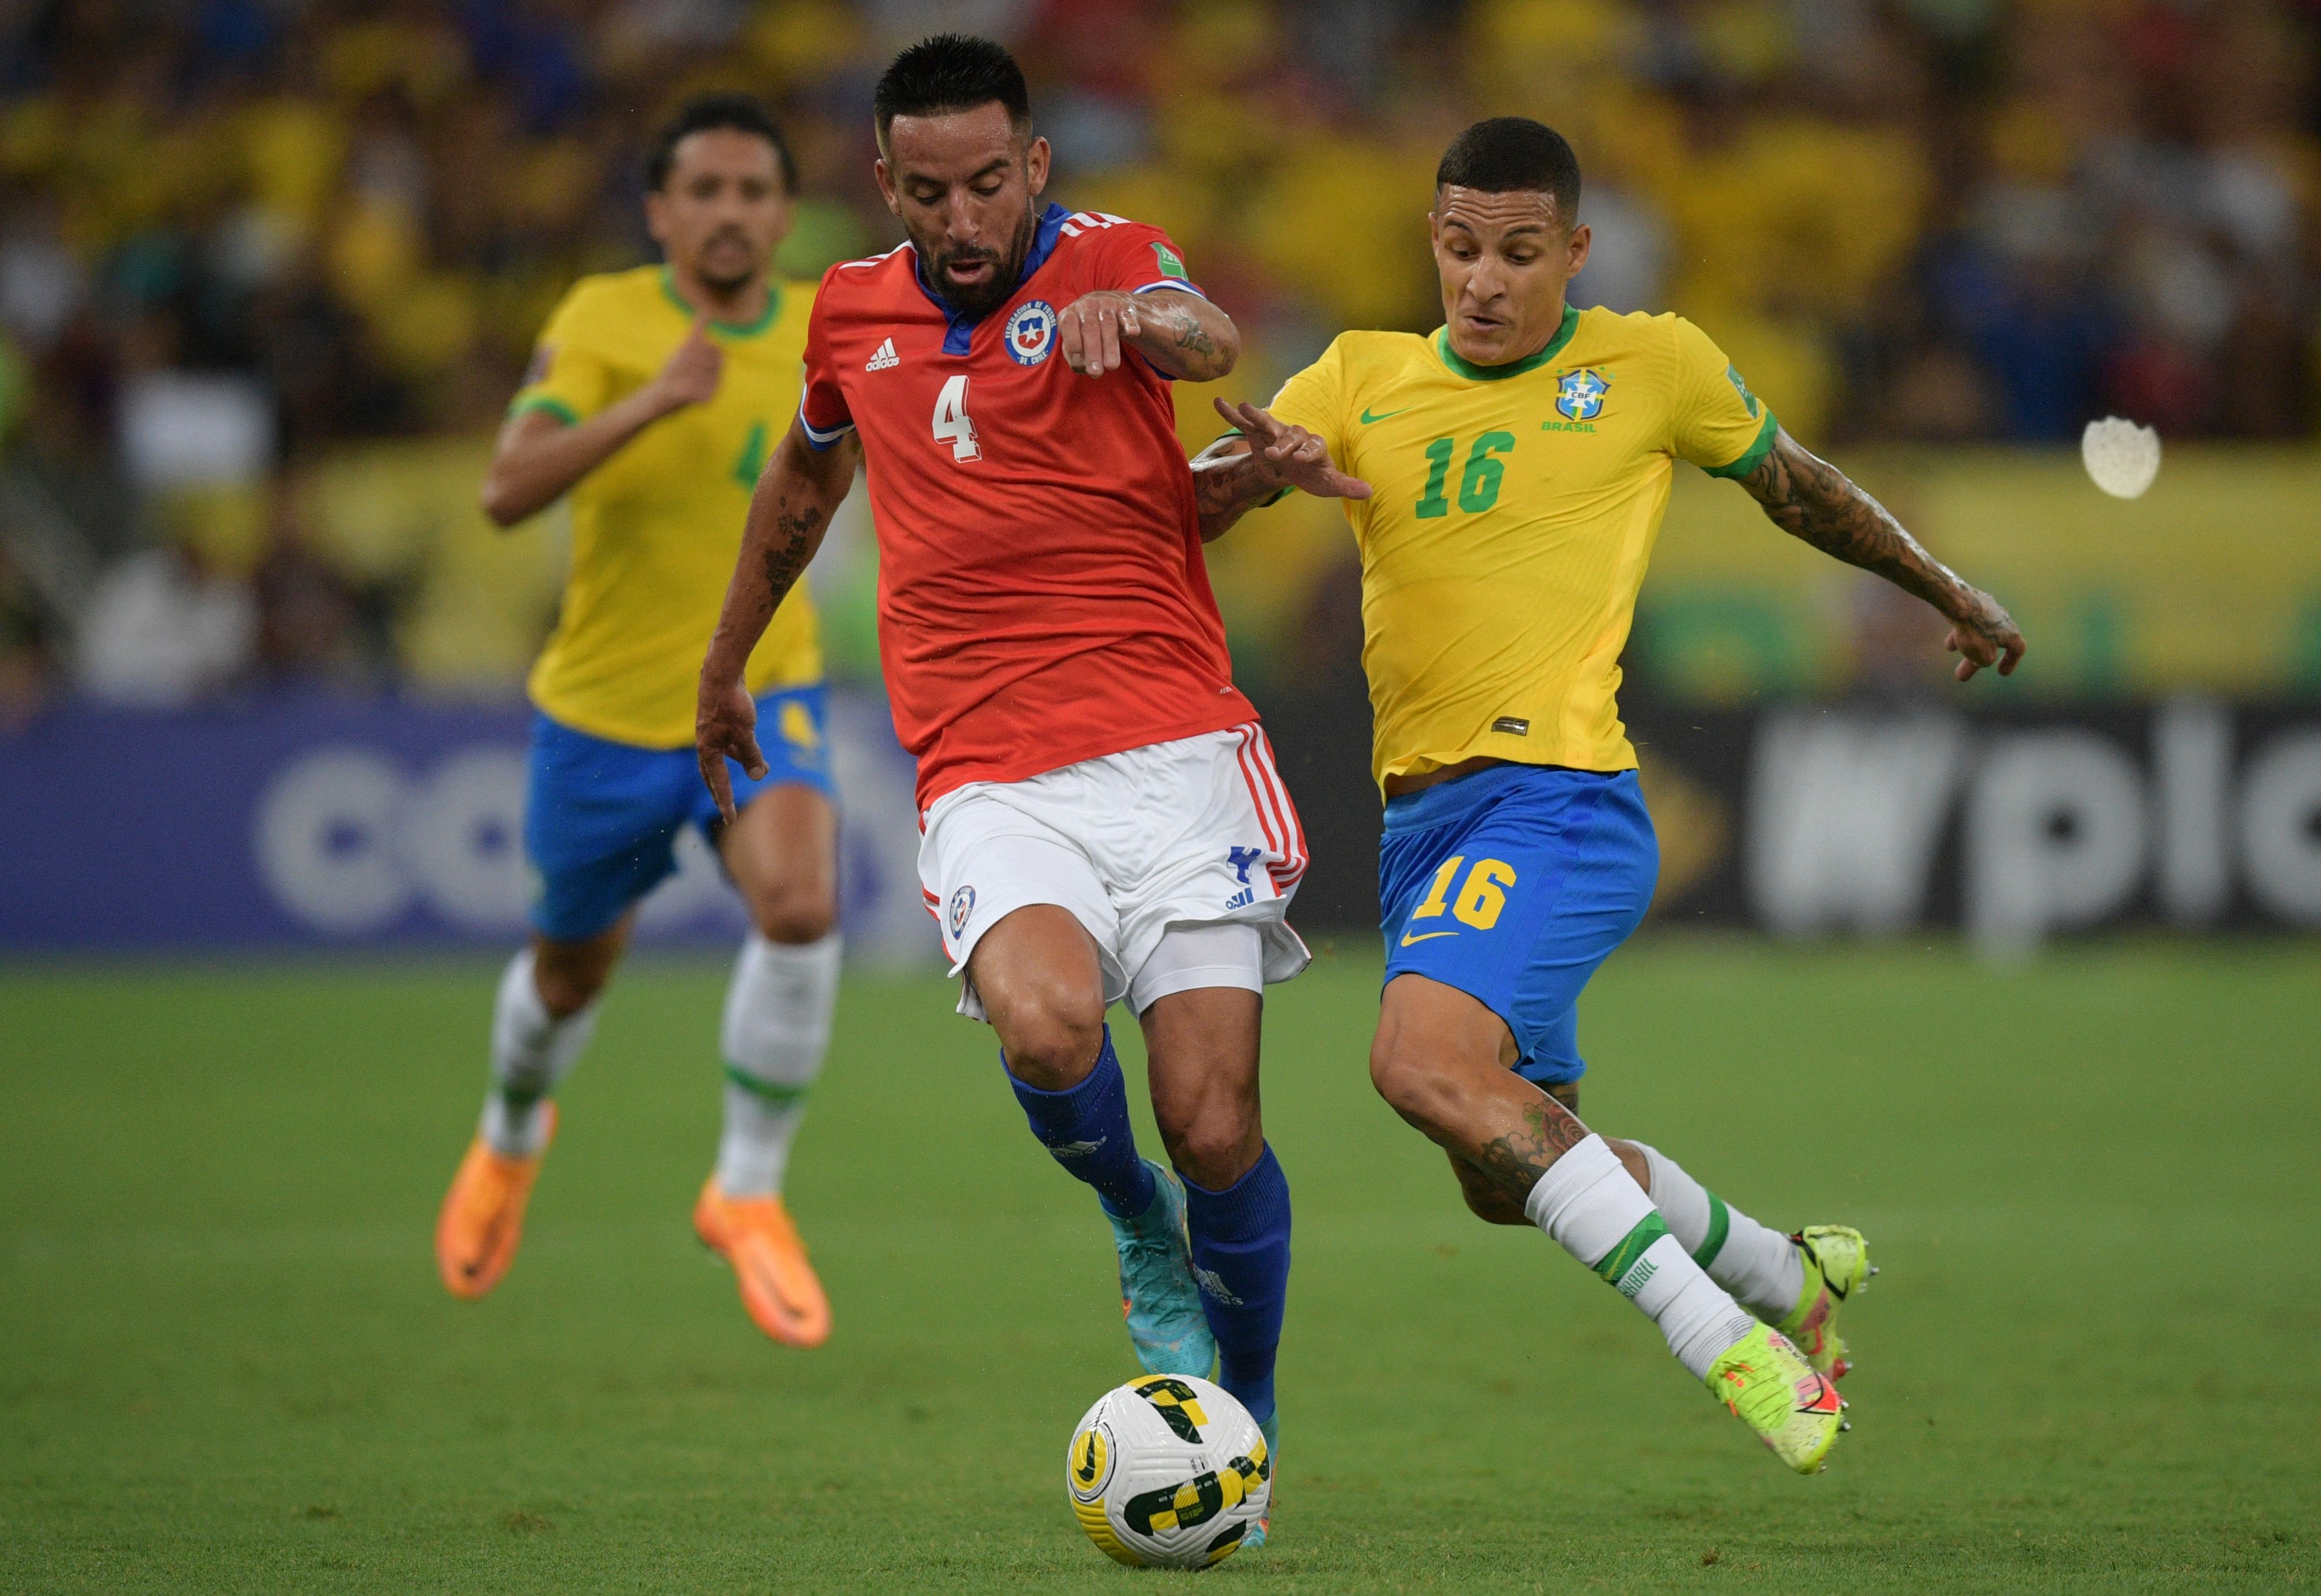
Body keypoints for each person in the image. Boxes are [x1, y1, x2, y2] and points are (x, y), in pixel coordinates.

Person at [1191, 117, 2028, 1474]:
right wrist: (1244, 479)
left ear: (1572, 252)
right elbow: (1198, 502)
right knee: (1505, 1168)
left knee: (1415, 1061)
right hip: (1426, 828)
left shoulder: (1651, 362)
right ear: (1432, 243)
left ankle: (1734, 1350)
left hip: (1558, 801)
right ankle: (1783, 1269)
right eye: (1462, 249)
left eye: (1519, 253)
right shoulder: (1359, 376)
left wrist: (1946, 589)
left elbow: (1798, 489)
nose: (1485, 281)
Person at [695, 36, 1300, 1541]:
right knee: (1043, 1024)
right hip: (986, 761)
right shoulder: (850, 311)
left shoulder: (1107, 254)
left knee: (1214, 1123)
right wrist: (725, 661)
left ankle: (1246, 1420)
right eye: (929, 192)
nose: (963, 219)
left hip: (1174, 745)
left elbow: (1203, 334)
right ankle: (1136, 1234)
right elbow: (803, 482)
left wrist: (1136, 317)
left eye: (989, 183)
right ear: (884, 185)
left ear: (1034, 166)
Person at [435, 94, 842, 1350]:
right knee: (571, 973)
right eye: (703, 192)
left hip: (769, 688)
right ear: (661, 210)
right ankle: (509, 1138)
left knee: (801, 906)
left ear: (783, 210)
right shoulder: (604, 320)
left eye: (752, 191)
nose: (729, 213)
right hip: (607, 714)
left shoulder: (831, 327)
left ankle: (747, 1187)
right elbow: (506, 489)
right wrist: (650, 403)